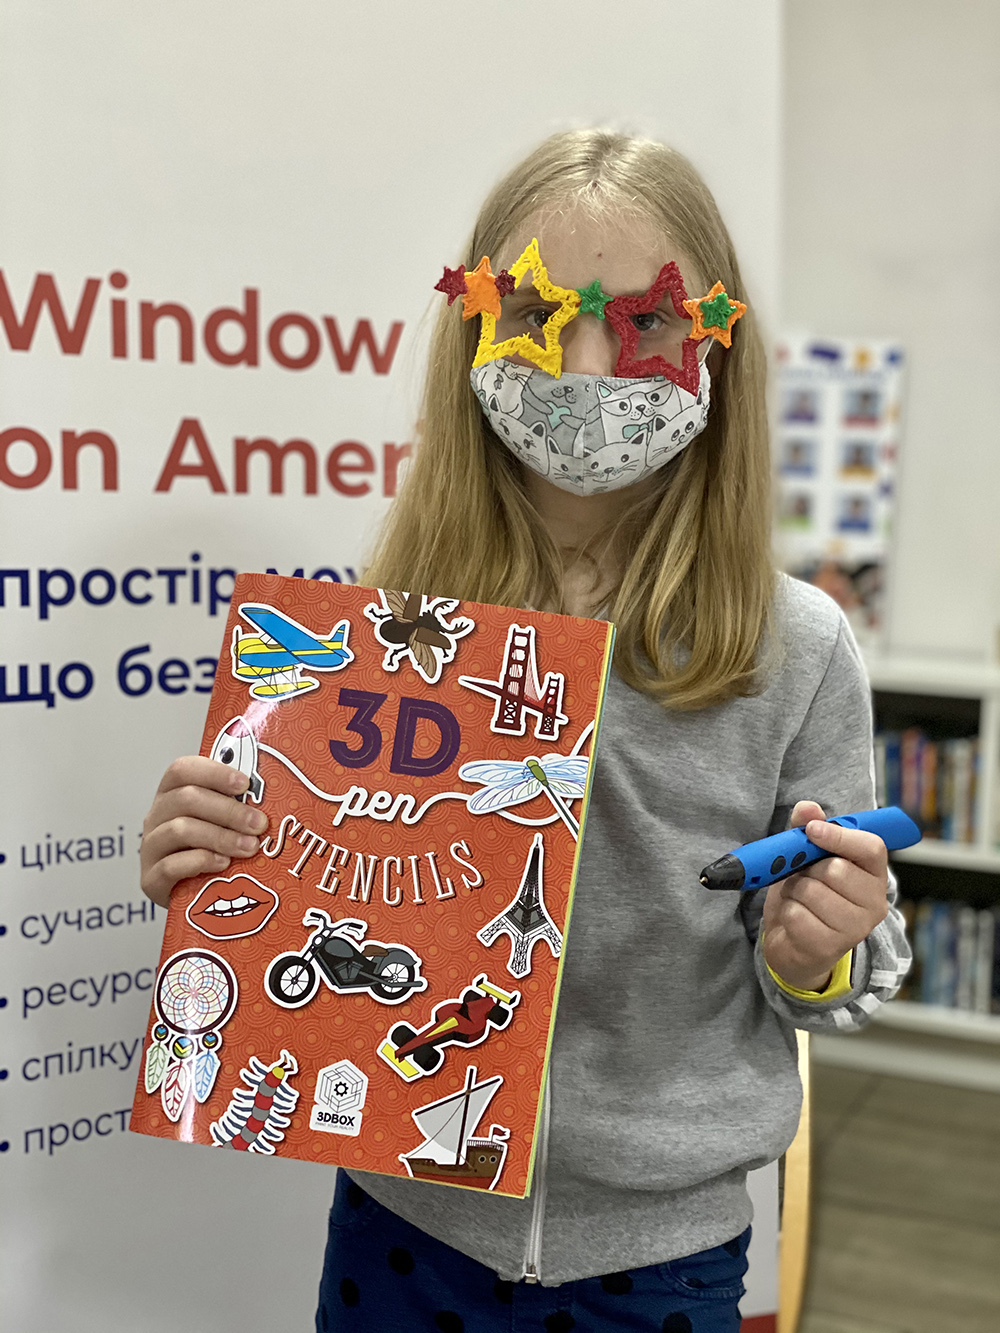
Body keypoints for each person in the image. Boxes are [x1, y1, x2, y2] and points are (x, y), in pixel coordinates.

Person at [139, 130, 911, 1333]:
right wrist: (217, 856)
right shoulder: (399, 616)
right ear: (475, 327)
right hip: (405, 1214)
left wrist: (821, 941)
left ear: (715, 338)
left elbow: (830, 971)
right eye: (540, 315)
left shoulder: (795, 646)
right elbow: (340, 875)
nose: (590, 367)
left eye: (647, 321)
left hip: (661, 1246)